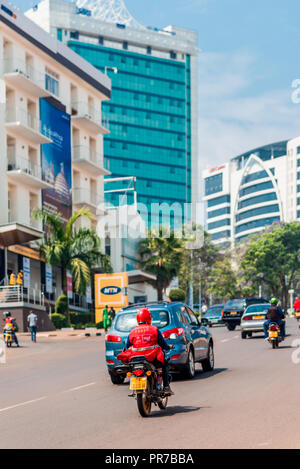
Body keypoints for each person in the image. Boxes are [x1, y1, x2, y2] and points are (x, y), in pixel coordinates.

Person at [117, 308, 174, 395]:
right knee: (165, 363)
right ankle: (166, 386)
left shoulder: (133, 331)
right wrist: (168, 347)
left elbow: (127, 346)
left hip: (136, 359)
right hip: (151, 358)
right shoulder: (154, 329)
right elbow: (163, 344)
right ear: (149, 318)